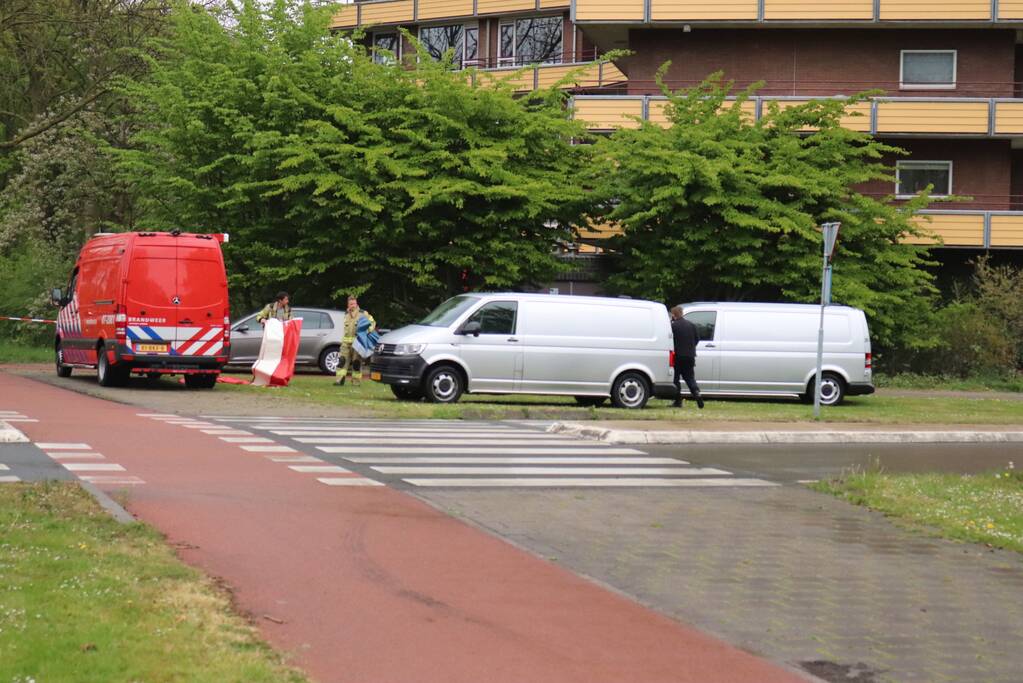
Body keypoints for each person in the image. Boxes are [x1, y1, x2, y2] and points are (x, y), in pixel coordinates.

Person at [335, 295, 376, 386]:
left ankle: (356, 382)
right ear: (348, 304)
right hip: (346, 343)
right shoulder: (346, 314)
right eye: (350, 304)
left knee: (356, 363)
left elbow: (372, 323)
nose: (352, 305)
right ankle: (339, 380)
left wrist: (366, 332)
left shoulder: (363, 313)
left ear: (356, 304)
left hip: (357, 343)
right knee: (342, 361)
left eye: (353, 303)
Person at [670, 305, 704, 409]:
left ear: (673, 315)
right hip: (690, 356)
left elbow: (669, 341)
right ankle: (696, 392)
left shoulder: (673, 326)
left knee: (675, 379)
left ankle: (678, 401)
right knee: (690, 378)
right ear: (682, 313)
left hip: (678, 356)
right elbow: (697, 339)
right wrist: (690, 348)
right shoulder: (692, 325)